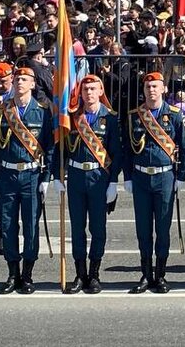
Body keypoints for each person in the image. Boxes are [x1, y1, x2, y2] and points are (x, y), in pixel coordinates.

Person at [0, 66, 55, 295]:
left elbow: (49, 148)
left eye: (24, 79)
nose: (19, 83)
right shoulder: (2, 111)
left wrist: (46, 178)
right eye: (17, 79)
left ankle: (27, 274)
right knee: (7, 226)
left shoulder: (43, 112)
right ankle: (12, 273)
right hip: (7, 175)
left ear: (33, 84)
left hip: (31, 175)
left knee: (30, 227)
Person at [125, 70, 185, 294]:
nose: (151, 90)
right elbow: (127, 150)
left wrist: (180, 177)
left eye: (155, 86)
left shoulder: (174, 116)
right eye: (147, 87)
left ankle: (160, 275)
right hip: (141, 177)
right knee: (143, 229)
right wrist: (128, 177)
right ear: (143, 90)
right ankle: (145, 274)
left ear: (164, 89)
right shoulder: (135, 115)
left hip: (164, 177)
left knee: (162, 228)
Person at [58, 74, 122, 294]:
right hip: (76, 177)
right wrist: (59, 176)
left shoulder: (111, 118)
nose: (89, 93)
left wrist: (113, 182)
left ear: (101, 91)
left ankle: (94, 274)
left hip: (99, 178)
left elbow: (116, 152)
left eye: (94, 89)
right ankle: (80, 274)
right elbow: (63, 149)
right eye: (85, 90)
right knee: (77, 228)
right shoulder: (72, 117)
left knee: (98, 229)